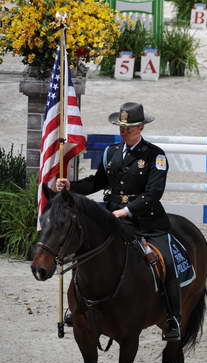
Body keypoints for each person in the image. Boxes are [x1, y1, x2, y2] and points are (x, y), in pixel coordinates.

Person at [55, 102, 181, 341]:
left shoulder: (155, 155)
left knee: (166, 262)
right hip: (112, 219)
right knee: (84, 251)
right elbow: (98, 182)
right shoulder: (111, 152)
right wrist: (72, 186)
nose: (124, 132)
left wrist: (127, 211)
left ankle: (173, 317)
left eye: (129, 128)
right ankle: (77, 305)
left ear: (141, 127)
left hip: (146, 221)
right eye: (121, 127)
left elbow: (154, 193)